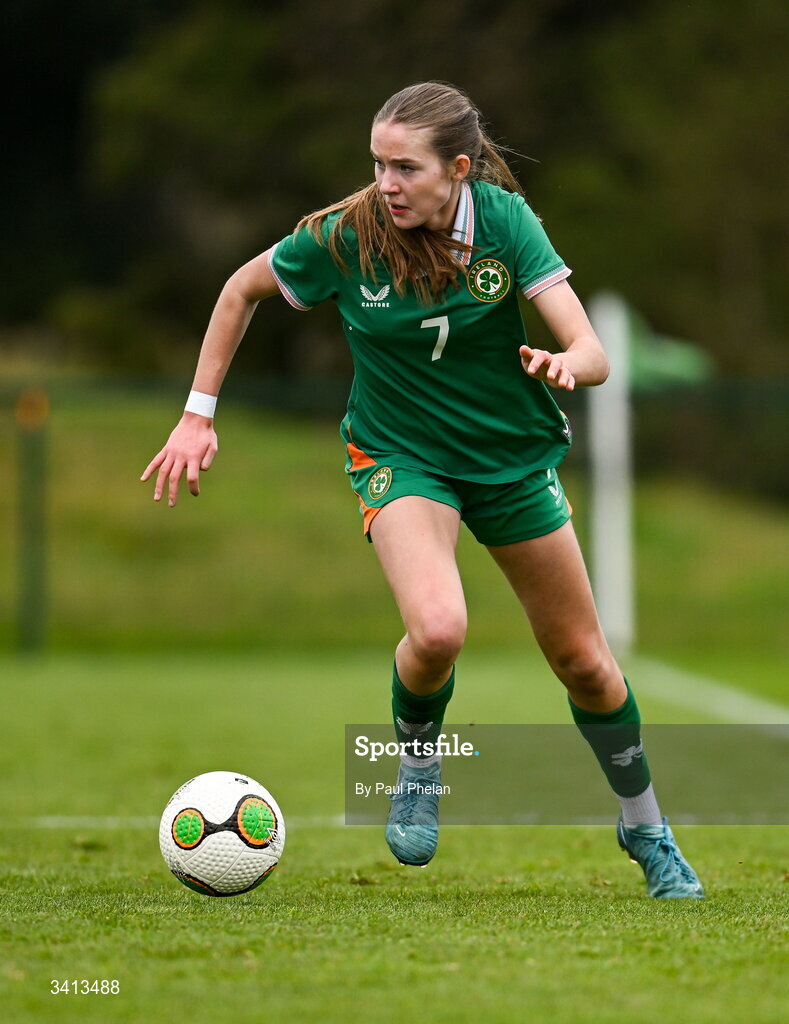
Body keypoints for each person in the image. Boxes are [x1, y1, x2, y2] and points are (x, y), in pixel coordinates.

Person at [142, 81, 703, 899]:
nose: (386, 184)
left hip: (509, 460)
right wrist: (197, 415)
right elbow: (239, 290)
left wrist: (562, 365)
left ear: (459, 170)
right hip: (400, 456)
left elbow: (590, 349)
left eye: (405, 167)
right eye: (377, 165)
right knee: (437, 630)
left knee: (585, 664)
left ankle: (645, 827)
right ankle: (416, 766)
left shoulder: (505, 224)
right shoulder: (344, 237)